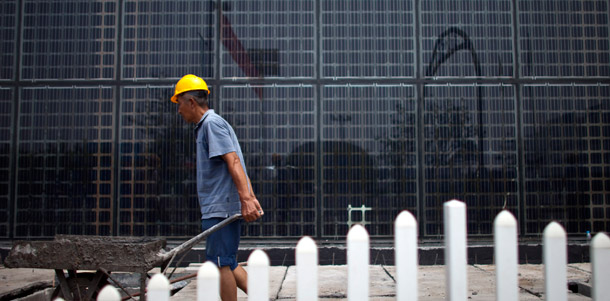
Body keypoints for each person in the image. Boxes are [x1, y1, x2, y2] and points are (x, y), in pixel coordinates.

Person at [171, 74, 263, 300]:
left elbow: (233, 161)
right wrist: (247, 196)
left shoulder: (211, 124)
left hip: (221, 208)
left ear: (191, 102)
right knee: (227, 262)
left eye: (179, 103)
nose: (178, 110)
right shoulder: (208, 126)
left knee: (220, 264)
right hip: (221, 206)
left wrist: (247, 199)